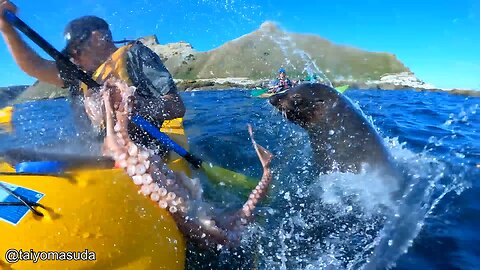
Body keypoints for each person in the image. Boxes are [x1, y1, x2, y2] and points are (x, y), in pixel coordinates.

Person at [0, 1, 186, 157]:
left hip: (143, 154)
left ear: (97, 38)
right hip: (98, 154)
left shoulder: (135, 55)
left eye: (76, 50)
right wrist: (7, 29)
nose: (74, 59)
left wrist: (135, 105)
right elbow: (35, 66)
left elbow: (176, 106)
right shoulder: (80, 74)